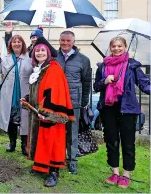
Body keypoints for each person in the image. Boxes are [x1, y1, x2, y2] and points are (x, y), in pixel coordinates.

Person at [93, 36, 150, 189]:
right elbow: (96, 86)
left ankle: (126, 175)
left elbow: (145, 85)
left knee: (128, 142)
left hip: (128, 109)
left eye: (119, 46)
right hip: (108, 108)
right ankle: (115, 173)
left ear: (125, 47)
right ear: (110, 48)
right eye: (114, 46)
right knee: (111, 141)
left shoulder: (133, 66)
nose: (116, 49)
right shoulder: (103, 66)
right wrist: (104, 81)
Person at [21, 37, 74, 187]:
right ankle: (41, 166)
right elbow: (38, 90)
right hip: (39, 111)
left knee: (52, 141)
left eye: (43, 50)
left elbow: (54, 92)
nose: (39, 53)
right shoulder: (40, 69)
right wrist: (27, 98)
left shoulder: (54, 68)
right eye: (37, 51)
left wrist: (47, 112)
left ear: (48, 53)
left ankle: (53, 171)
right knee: (41, 140)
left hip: (51, 113)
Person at [56, 30, 91, 175]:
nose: (65, 43)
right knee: (57, 132)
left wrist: (83, 101)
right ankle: (57, 158)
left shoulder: (83, 59)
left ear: (73, 42)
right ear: (59, 41)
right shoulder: (53, 57)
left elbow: (86, 81)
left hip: (74, 101)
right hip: (56, 101)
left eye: (68, 41)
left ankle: (72, 160)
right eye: (62, 40)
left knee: (72, 133)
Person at [0, 35, 32, 156]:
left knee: (25, 119)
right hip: (9, 94)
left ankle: (24, 145)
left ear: (22, 44)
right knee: (11, 119)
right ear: (10, 45)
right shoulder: (6, 58)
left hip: (24, 93)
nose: (16, 44)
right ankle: (12, 143)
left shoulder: (29, 58)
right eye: (14, 42)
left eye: (19, 41)